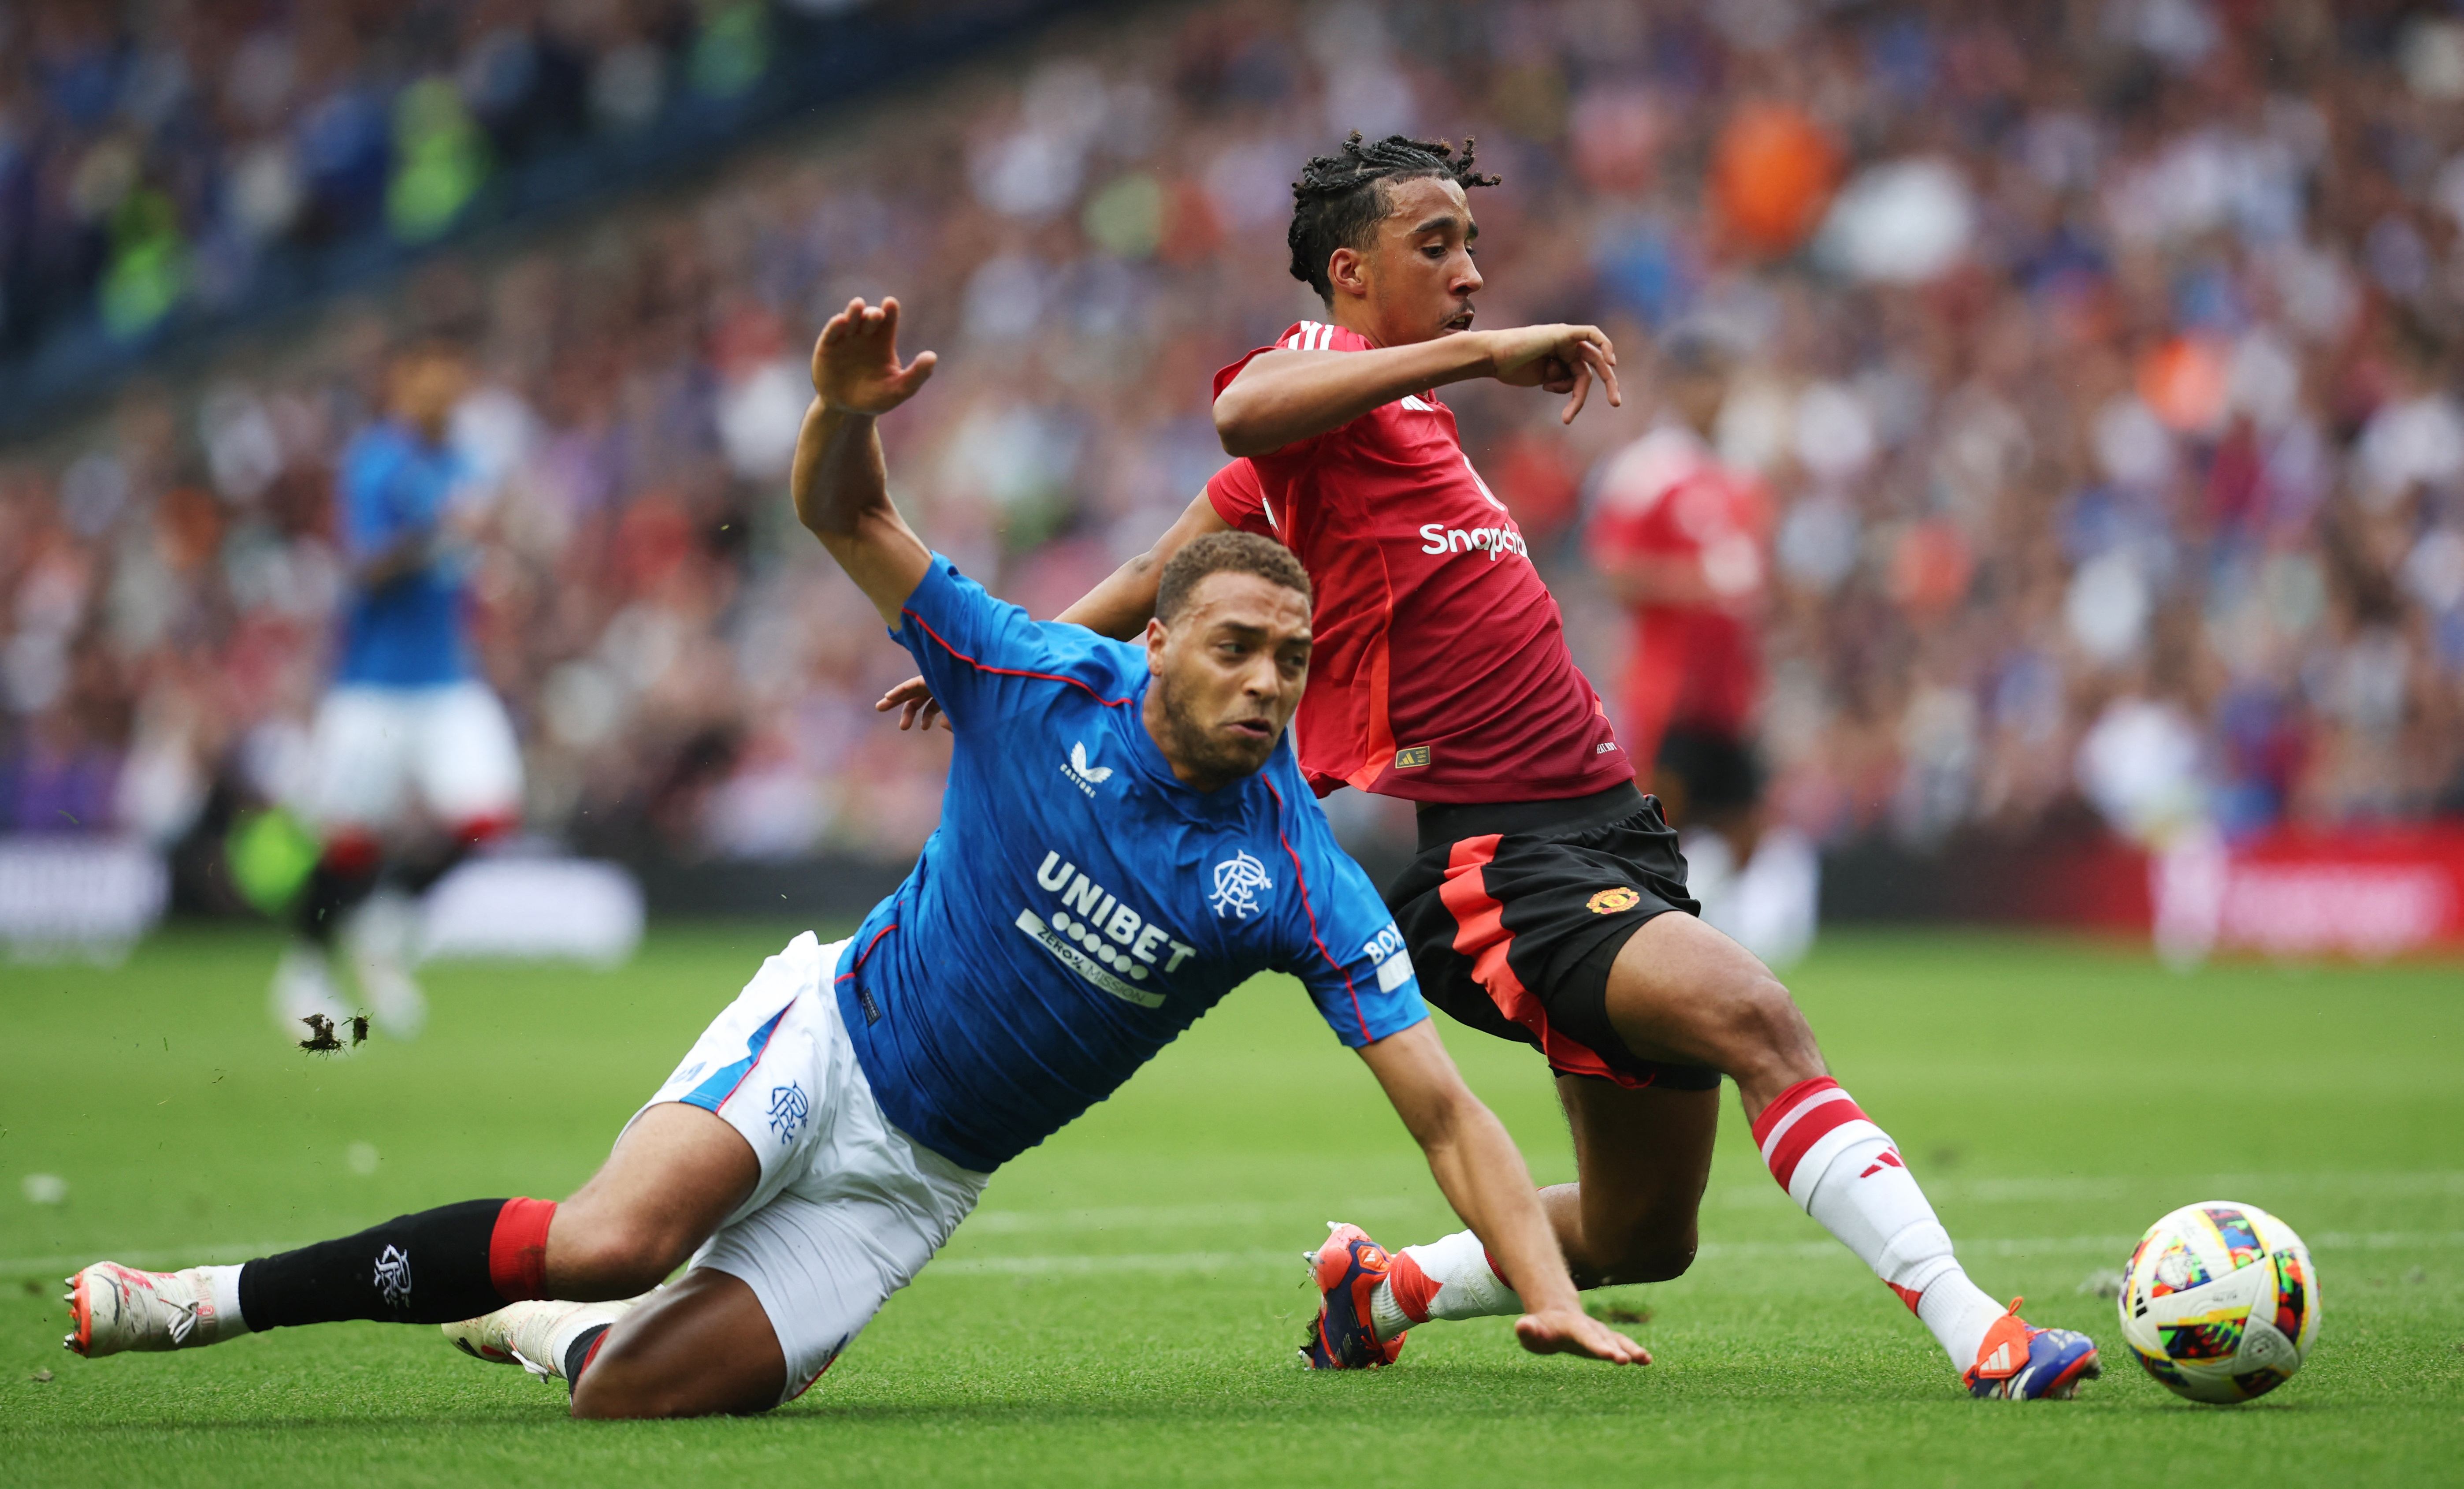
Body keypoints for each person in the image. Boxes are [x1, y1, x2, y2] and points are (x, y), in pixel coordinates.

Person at [59, 297, 1645, 1417]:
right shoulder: (1032, 677)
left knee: (625, 1395)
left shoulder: (1299, 868)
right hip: (831, 1043)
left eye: (1293, 662)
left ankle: (550, 1332)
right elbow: (841, 514)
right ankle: (205, 1295)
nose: (1265, 683)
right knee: (621, 1231)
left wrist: (1547, 1288)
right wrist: (841, 417)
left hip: (919, 1182)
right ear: (1160, 637)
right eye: (1237, 646)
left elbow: (1446, 1110)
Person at [881, 135, 2096, 1399]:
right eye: (1437, 245)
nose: (1470, 273)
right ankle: (1982, 1336)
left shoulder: (1382, 432)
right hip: (1490, 860)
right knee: (1757, 1018)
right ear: (1351, 273)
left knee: (1645, 1236)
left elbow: (1156, 574)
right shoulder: (1320, 381)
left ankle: (1386, 1286)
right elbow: (1232, 424)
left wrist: (1026, 647)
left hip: (1612, 835)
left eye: (1472, 247)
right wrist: (1002, 667)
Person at [271, 340, 523, 1041]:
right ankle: (305, 967)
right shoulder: (377, 463)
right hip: (374, 684)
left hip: (447, 677)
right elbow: (363, 571)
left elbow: (473, 557)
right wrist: (436, 532)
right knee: (348, 837)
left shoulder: (466, 462)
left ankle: (384, 926)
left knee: (488, 815)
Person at [1586, 327, 1817, 968]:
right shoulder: (1648, 472)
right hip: (1672, 684)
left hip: (1730, 687)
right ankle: (1637, 941)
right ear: (1680, 387)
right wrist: (1697, 586)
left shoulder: (1741, 477)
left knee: (1749, 830)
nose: (1715, 395)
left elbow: (1757, 575)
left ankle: (1697, 929)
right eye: (1705, 380)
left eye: (1722, 381)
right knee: (1663, 818)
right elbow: (1615, 570)